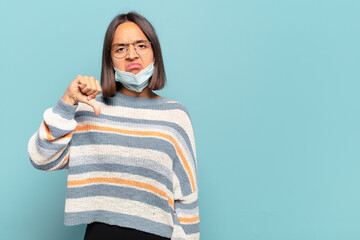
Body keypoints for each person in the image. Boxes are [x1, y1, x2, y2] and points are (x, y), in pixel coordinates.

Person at [27, 11, 199, 240]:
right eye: (120, 48)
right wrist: (67, 101)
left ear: (154, 52)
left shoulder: (176, 116)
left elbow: (187, 198)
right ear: (109, 59)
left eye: (141, 45)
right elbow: (41, 157)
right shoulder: (90, 109)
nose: (132, 55)